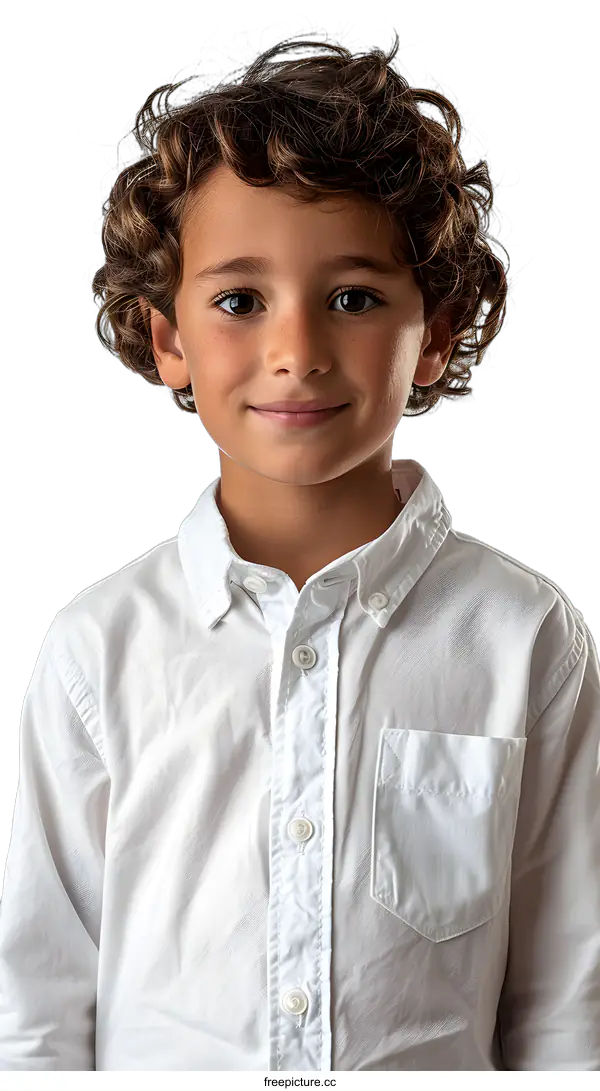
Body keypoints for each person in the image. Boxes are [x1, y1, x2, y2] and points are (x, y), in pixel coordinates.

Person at [1, 31, 598, 1072]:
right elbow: (41, 1012)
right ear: (168, 338)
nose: (297, 352)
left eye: (354, 298)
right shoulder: (100, 648)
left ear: (437, 330)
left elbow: (565, 1004)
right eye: (239, 301)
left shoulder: (525, 638)